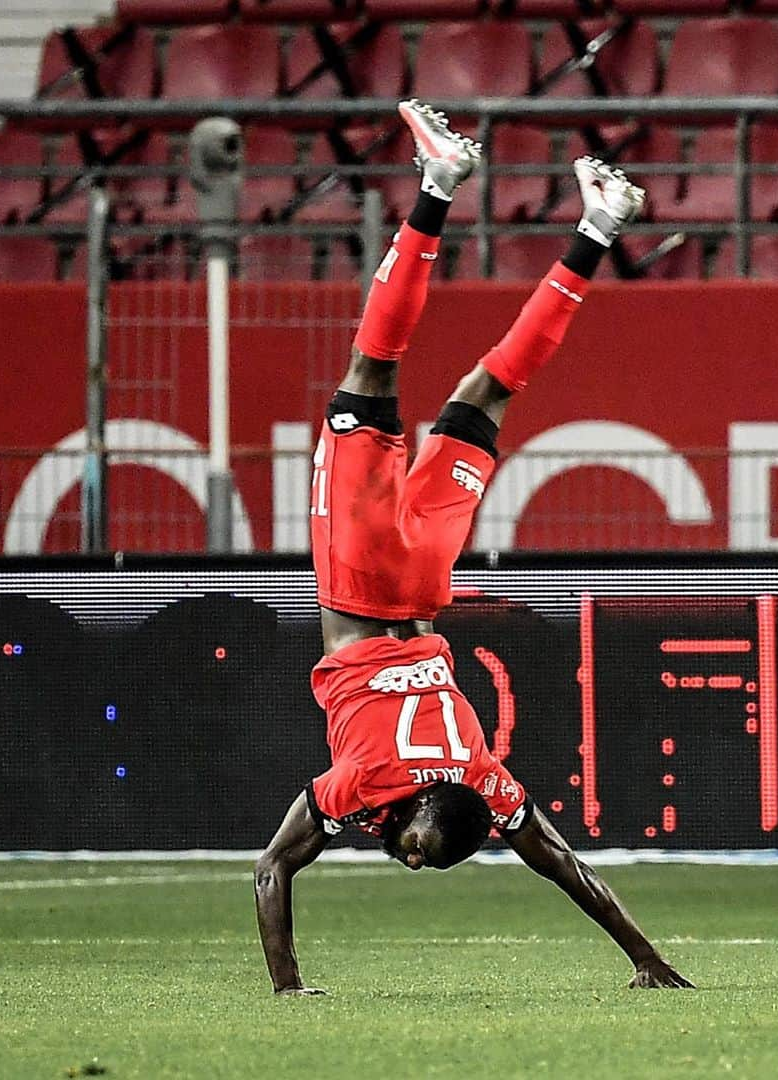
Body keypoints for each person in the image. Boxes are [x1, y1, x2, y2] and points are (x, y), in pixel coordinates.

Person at [255, 100, 693, 996]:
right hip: (367, 582)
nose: (404, 859)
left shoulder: (486, 782)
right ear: (422, 809)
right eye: (416, 847)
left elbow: (567, 865)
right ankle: (438, 185)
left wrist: (649, 958)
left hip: (425, 582)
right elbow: (271, 869)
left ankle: (598, 227)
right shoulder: (367, 784)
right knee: (368, 379)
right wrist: (287, 984)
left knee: (486, 393)